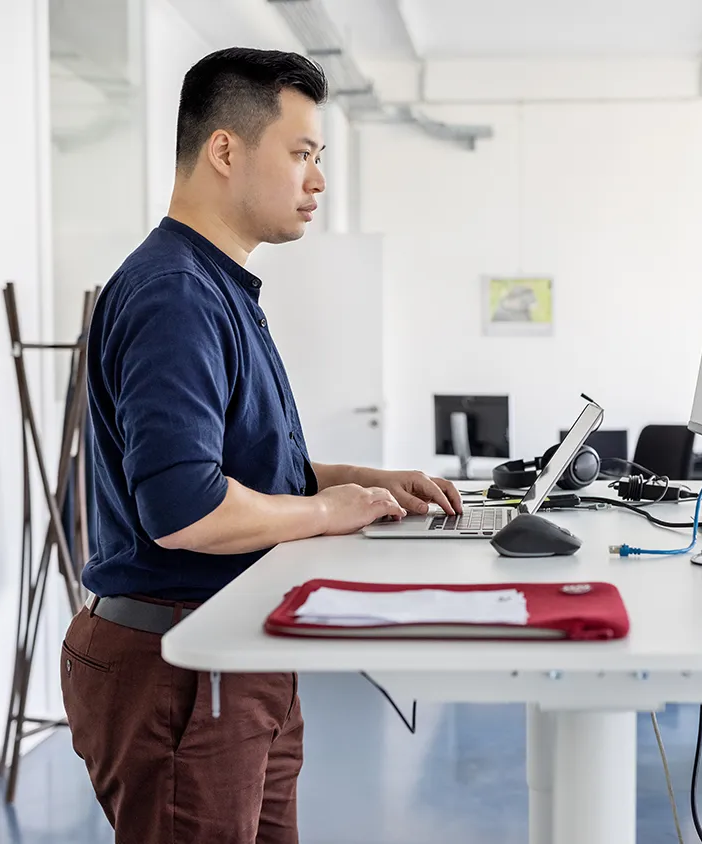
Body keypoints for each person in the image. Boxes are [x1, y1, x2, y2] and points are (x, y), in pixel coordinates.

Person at [60, 47, 462, 844]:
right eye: (302, 154)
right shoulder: (174, 294)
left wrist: (359, 479)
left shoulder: (216, 286)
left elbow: (234, 463)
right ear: (224, 150)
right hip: (178, 666)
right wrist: (326, 512)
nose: (318, 181)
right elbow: (186, 510)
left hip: (232, 656)